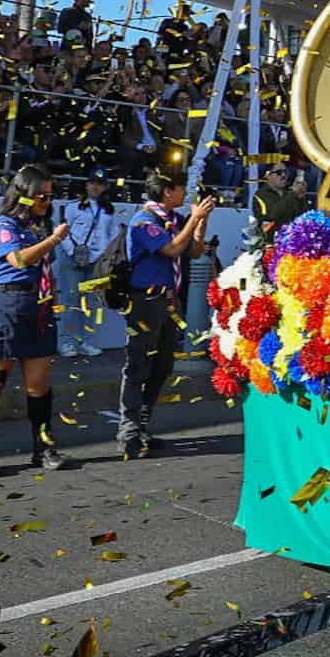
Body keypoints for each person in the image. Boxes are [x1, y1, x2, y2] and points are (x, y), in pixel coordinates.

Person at [0, 165, 71, 475]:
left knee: (38, 384)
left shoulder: (39, 226)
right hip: (7, 302)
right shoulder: (5, 223)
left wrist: (53, 296)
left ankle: (43, 447)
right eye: (42, 197)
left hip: (37, 305)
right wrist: (53, 240)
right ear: (24, 195)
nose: (47, 203)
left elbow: (43, 268)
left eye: (50, 198)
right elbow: (18, 259)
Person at [118, 172, 217, 458]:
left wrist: (200, 222)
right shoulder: (144, 221)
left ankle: (143, 424)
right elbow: (172, 249)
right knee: (137, 365)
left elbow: (195, 250)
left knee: (163, 365)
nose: (185, 194)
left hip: (169, 302)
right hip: (145, 301)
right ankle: (128, 432)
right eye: (180, 188)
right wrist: (192, 219)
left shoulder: (174, 221)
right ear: (165, 191)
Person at [54, 170, 118, 359]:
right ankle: (67, 342)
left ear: (105, 187)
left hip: (97, 262)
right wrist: (73, 252)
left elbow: (113, 237)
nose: (95, 186)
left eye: (99, 183)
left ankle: (87, 341)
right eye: (92, 183)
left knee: (93, 303)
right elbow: (62, 231)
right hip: (72, 259)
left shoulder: (109, 210)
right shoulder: (73, 207)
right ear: (86, 185)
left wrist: (101, 257)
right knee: (71, 300)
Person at [250, 161, 308, 241]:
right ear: (268, 175)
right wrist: (293, 194)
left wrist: (301, 198)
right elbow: (272, 215)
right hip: (270, 244)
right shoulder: (260, 195)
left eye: (285, 172)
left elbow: (302, 217)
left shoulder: (289, 193)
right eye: (279, 173)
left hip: (292, 243)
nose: (283, 175)